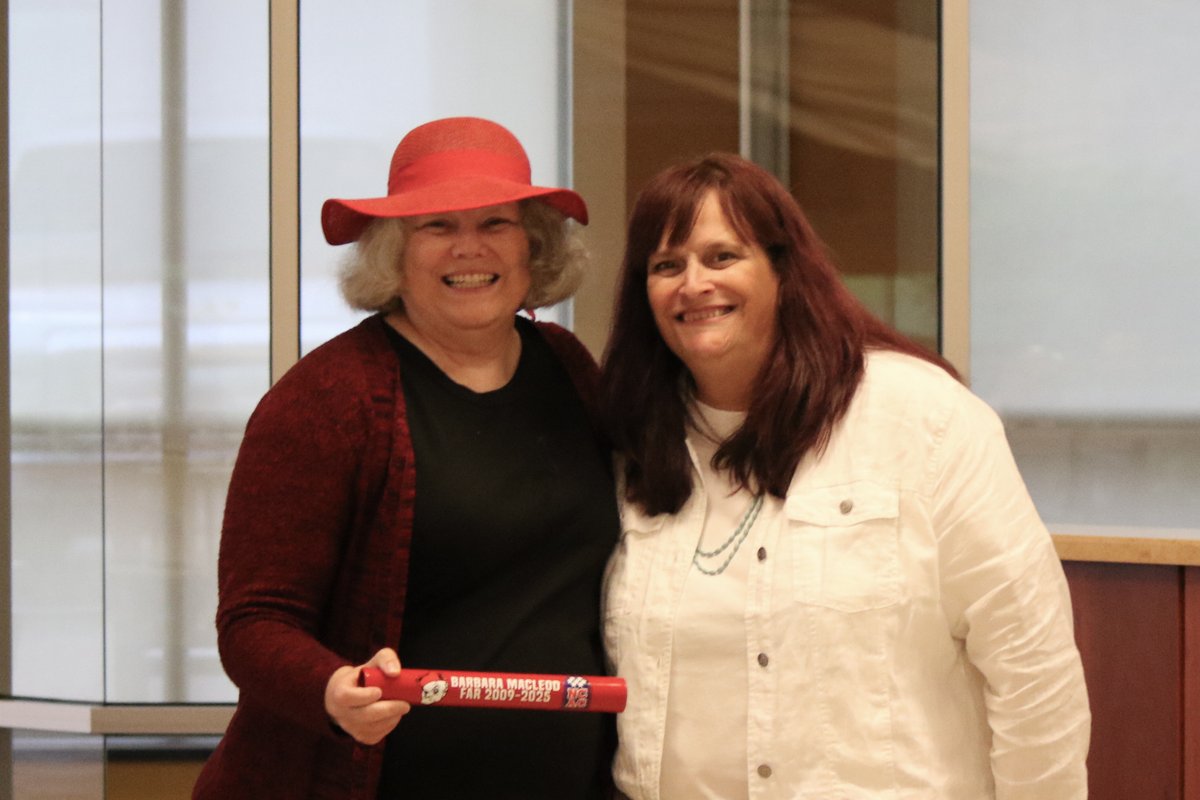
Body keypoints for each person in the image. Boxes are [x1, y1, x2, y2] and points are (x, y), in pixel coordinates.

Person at [599, 152, 1091, 799]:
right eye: (667, 266)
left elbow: (1032, 666)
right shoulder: (630, 445)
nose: (693, 284)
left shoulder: (923, 419)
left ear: (783, 269)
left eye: (722, 257)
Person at [193, 116, 620, 799]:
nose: (468, 249)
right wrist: (333, 690)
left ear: (533, 245)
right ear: (393, 252)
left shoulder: (569, 370)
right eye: (437, 227)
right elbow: (253, 622)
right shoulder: (326, 399)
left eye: (495, 224)